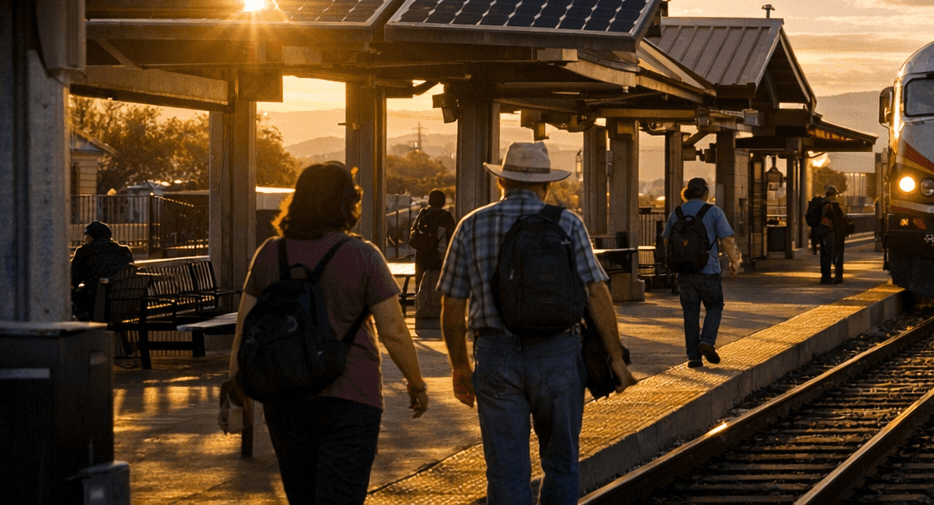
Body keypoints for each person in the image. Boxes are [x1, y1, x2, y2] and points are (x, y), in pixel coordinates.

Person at [440, 143, 636, 505]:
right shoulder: (567, 223)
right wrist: (615, 358)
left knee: (505, 468)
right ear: (546, 186)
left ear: (502, 183)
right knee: (561, 463)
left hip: (495, 355)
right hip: (559, 354)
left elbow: (452, 307)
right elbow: (596, 293)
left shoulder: (471, 225)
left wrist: (459, 366)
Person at [228, 162, 429, 505]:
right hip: (351, 396)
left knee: (301, 497)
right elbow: (393, 331)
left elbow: (245, 329)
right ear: (347, 203)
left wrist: (237, 389)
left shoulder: (270, 254)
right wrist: (416, 383)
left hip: (284, 395)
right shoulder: (363, 255)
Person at [663, 176, 741, 368]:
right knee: (714, 306)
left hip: (684, 273)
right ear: (706, 193)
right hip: (709, 269)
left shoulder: (677, 212)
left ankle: (694, 357)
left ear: (686, 193)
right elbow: (727, 239)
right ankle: (706, 341)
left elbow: (667, 240)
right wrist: (734, 261)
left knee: (690, 312)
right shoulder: (713, 211)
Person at [70, 221, 135, 319]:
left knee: (69, 296)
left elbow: (72, 281)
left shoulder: (85, 251)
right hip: (123, 300)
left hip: (97, 301)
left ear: (90, 237)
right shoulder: (124, 251)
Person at [411, 189, 456, 316]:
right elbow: (452, 238)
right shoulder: (446, 216)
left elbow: (413, 236)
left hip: (421, 256)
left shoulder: (423, 213)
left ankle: (420, 309)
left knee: (420, 282)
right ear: (443, 202)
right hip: (439, 256)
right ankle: (437, 310)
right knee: (439, 283)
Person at [817, 185, 848, 284]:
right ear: (833, 194)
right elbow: (833, 219)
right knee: (829, 254)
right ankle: (829, 277)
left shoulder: (821, 203)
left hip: (820, 232)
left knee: (823, 254)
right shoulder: (830, 205)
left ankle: (824, 275)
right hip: (828, 232)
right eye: (836, 194)